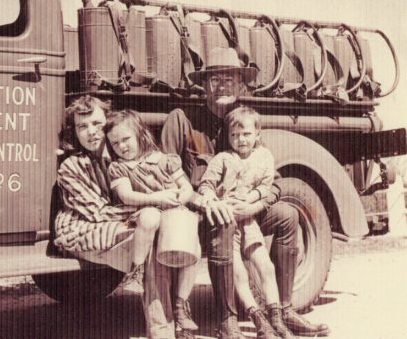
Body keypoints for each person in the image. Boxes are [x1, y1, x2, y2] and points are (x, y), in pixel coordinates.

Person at [161, 47, 330, 337]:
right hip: (195, 217)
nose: (223, 85)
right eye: (215, 79)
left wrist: (254, 206)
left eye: (231, 79)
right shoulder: (182, 119)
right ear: (204, 85)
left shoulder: (244, 123)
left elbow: (272, 180)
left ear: (241, 85)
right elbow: (164, 173)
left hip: (244, 214)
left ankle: (284, 310)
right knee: (223, 221)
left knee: (288, 215)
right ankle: (227, 319)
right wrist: (203, 203)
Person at [54, 96, 178, 339]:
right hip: (86, 232)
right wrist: (150, 204)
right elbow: (98, 213)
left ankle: (171, 320)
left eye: (97, 124)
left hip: (125, 228)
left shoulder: (124, 158)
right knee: (152, 225)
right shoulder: (72, 167)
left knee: (156, 228)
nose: (90, 132)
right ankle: (163, 331)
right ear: (75, 132)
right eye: (82, 126)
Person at [199, 106, 294, 339]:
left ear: (258, 134)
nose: (240, 140)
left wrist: (251, 200)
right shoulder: (223, 158)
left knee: (265, 266)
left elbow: (265, 186)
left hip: (249, 219)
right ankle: (258, 320)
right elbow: (206, 185)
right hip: (227, 220)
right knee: (239, 272)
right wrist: (212, 199)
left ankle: (276, 317)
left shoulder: (264, 157)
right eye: (234, 135)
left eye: (246, 134)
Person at [104, 109, 200, 337]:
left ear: (140, 134)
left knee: (193, 249)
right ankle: (138, 277)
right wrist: (158, 198)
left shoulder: (164, 160)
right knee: (155, 256)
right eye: (115, 143)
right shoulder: (119, 168)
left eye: (126, 139)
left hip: (174, 212)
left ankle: (180, 303)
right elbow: (127, 196)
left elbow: (186, 187)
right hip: (146, 214)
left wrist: (180, 196)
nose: (122, 147)